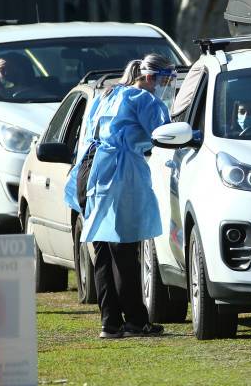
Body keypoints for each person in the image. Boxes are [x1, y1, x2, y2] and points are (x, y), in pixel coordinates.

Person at [64, 54, 176, 339]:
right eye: (165, 81)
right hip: (119, 176)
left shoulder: (107, 94)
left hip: (89, 173)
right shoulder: (145, 99)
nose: (164, 87)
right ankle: (137, 321)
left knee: (102, 251)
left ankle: (109, 322)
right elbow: (163, 134)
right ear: (150, 77)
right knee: (125, 251)